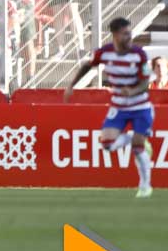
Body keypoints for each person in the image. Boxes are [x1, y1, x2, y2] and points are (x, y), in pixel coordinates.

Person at [65, 16, 153, 198]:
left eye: (130, 33)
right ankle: (131, 138)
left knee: (138, 148)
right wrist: (71, 85)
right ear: (115, 35)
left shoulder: (139, 54)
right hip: (119, 107)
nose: (129, 37)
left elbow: (145, 83)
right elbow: (87, 66)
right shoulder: (104, 53)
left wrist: (133, 90)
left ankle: (145, 186)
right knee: (107, 144)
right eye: (125, 34)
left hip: (140, 106)